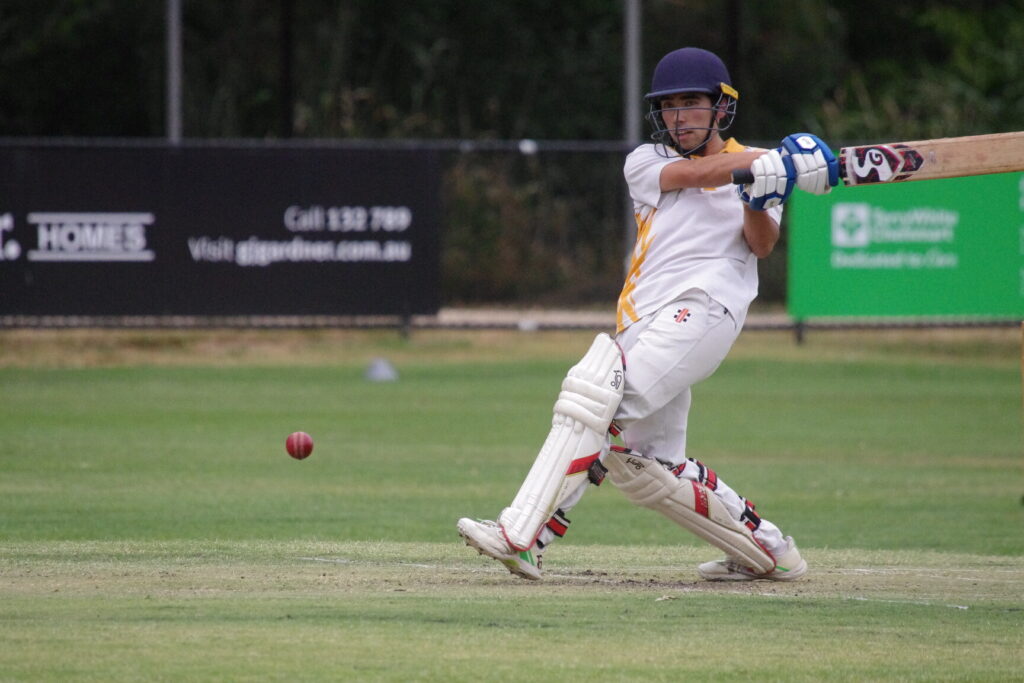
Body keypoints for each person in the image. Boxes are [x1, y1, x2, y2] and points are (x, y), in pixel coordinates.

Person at [457, 47, 838, 581]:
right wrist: (769, 161)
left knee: (598, 403)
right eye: (669, 105)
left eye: (691, 102)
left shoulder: (756, 169)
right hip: (643, 319)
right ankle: (771, 552)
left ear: (720, 106)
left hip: (705, 307)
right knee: (651, 466)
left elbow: (762, 244)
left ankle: (523, 534)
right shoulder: (647, 161)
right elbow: (697, 175)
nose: (679, 116)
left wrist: (758, 197)